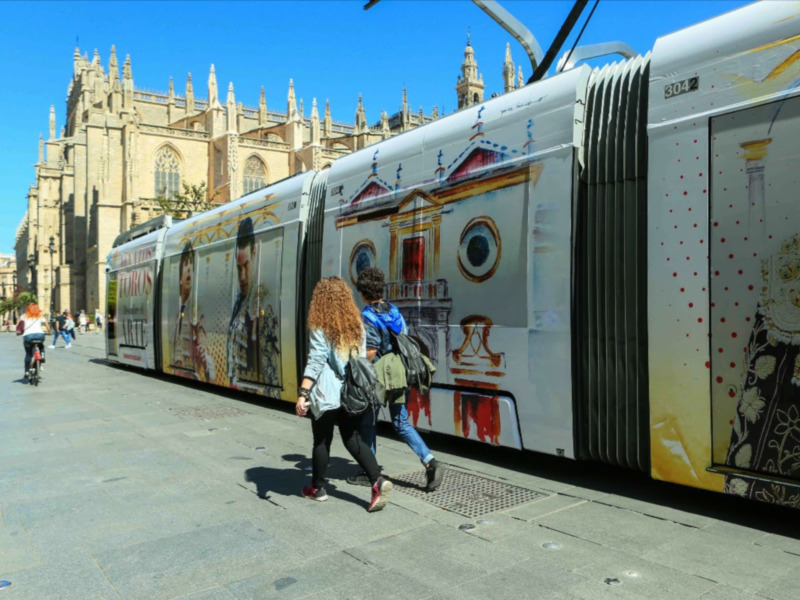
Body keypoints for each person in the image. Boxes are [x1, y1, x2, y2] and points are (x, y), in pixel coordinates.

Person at [295, 276, 393, 512]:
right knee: (352, 438)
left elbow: (317, 359)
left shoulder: (321, 324)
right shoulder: (355, 323)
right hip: (352, 392)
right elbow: (358, 356)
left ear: (320, 299)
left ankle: (317, 488)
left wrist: (303, 392)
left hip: (327, 393)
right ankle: (377, 480)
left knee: (322, 439)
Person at [349, 267, 443, 492]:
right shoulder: (394, 310)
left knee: (368, 421)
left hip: (380, 374)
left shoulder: (368, 316)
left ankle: (369, 471)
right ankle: (430, 462)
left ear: (362, 292)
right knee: (401, 422)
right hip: (400, 371)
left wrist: (355, 359)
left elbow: (371, 351)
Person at [171, 241, 215, 381]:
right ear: (180, 278)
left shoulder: (198, 313)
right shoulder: (173, 311)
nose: (190, 269)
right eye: (186, 263)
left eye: (192, 264)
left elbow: (208, 357)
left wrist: (206, 364)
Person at [226, 217, 260, 387]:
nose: (242, 277)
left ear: (254, 253)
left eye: (246, 266)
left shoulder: (261, 300)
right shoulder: (239, 301)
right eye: (239, 269)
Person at [18, 303, 50, 380]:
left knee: (28, 354)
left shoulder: (24, 316)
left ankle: (26, 372)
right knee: (41, 346)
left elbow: (18, 325)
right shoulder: (40, 316)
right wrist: (49, 332)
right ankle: (42, 355)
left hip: (28, 336)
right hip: (39, 335)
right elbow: (47, 325)